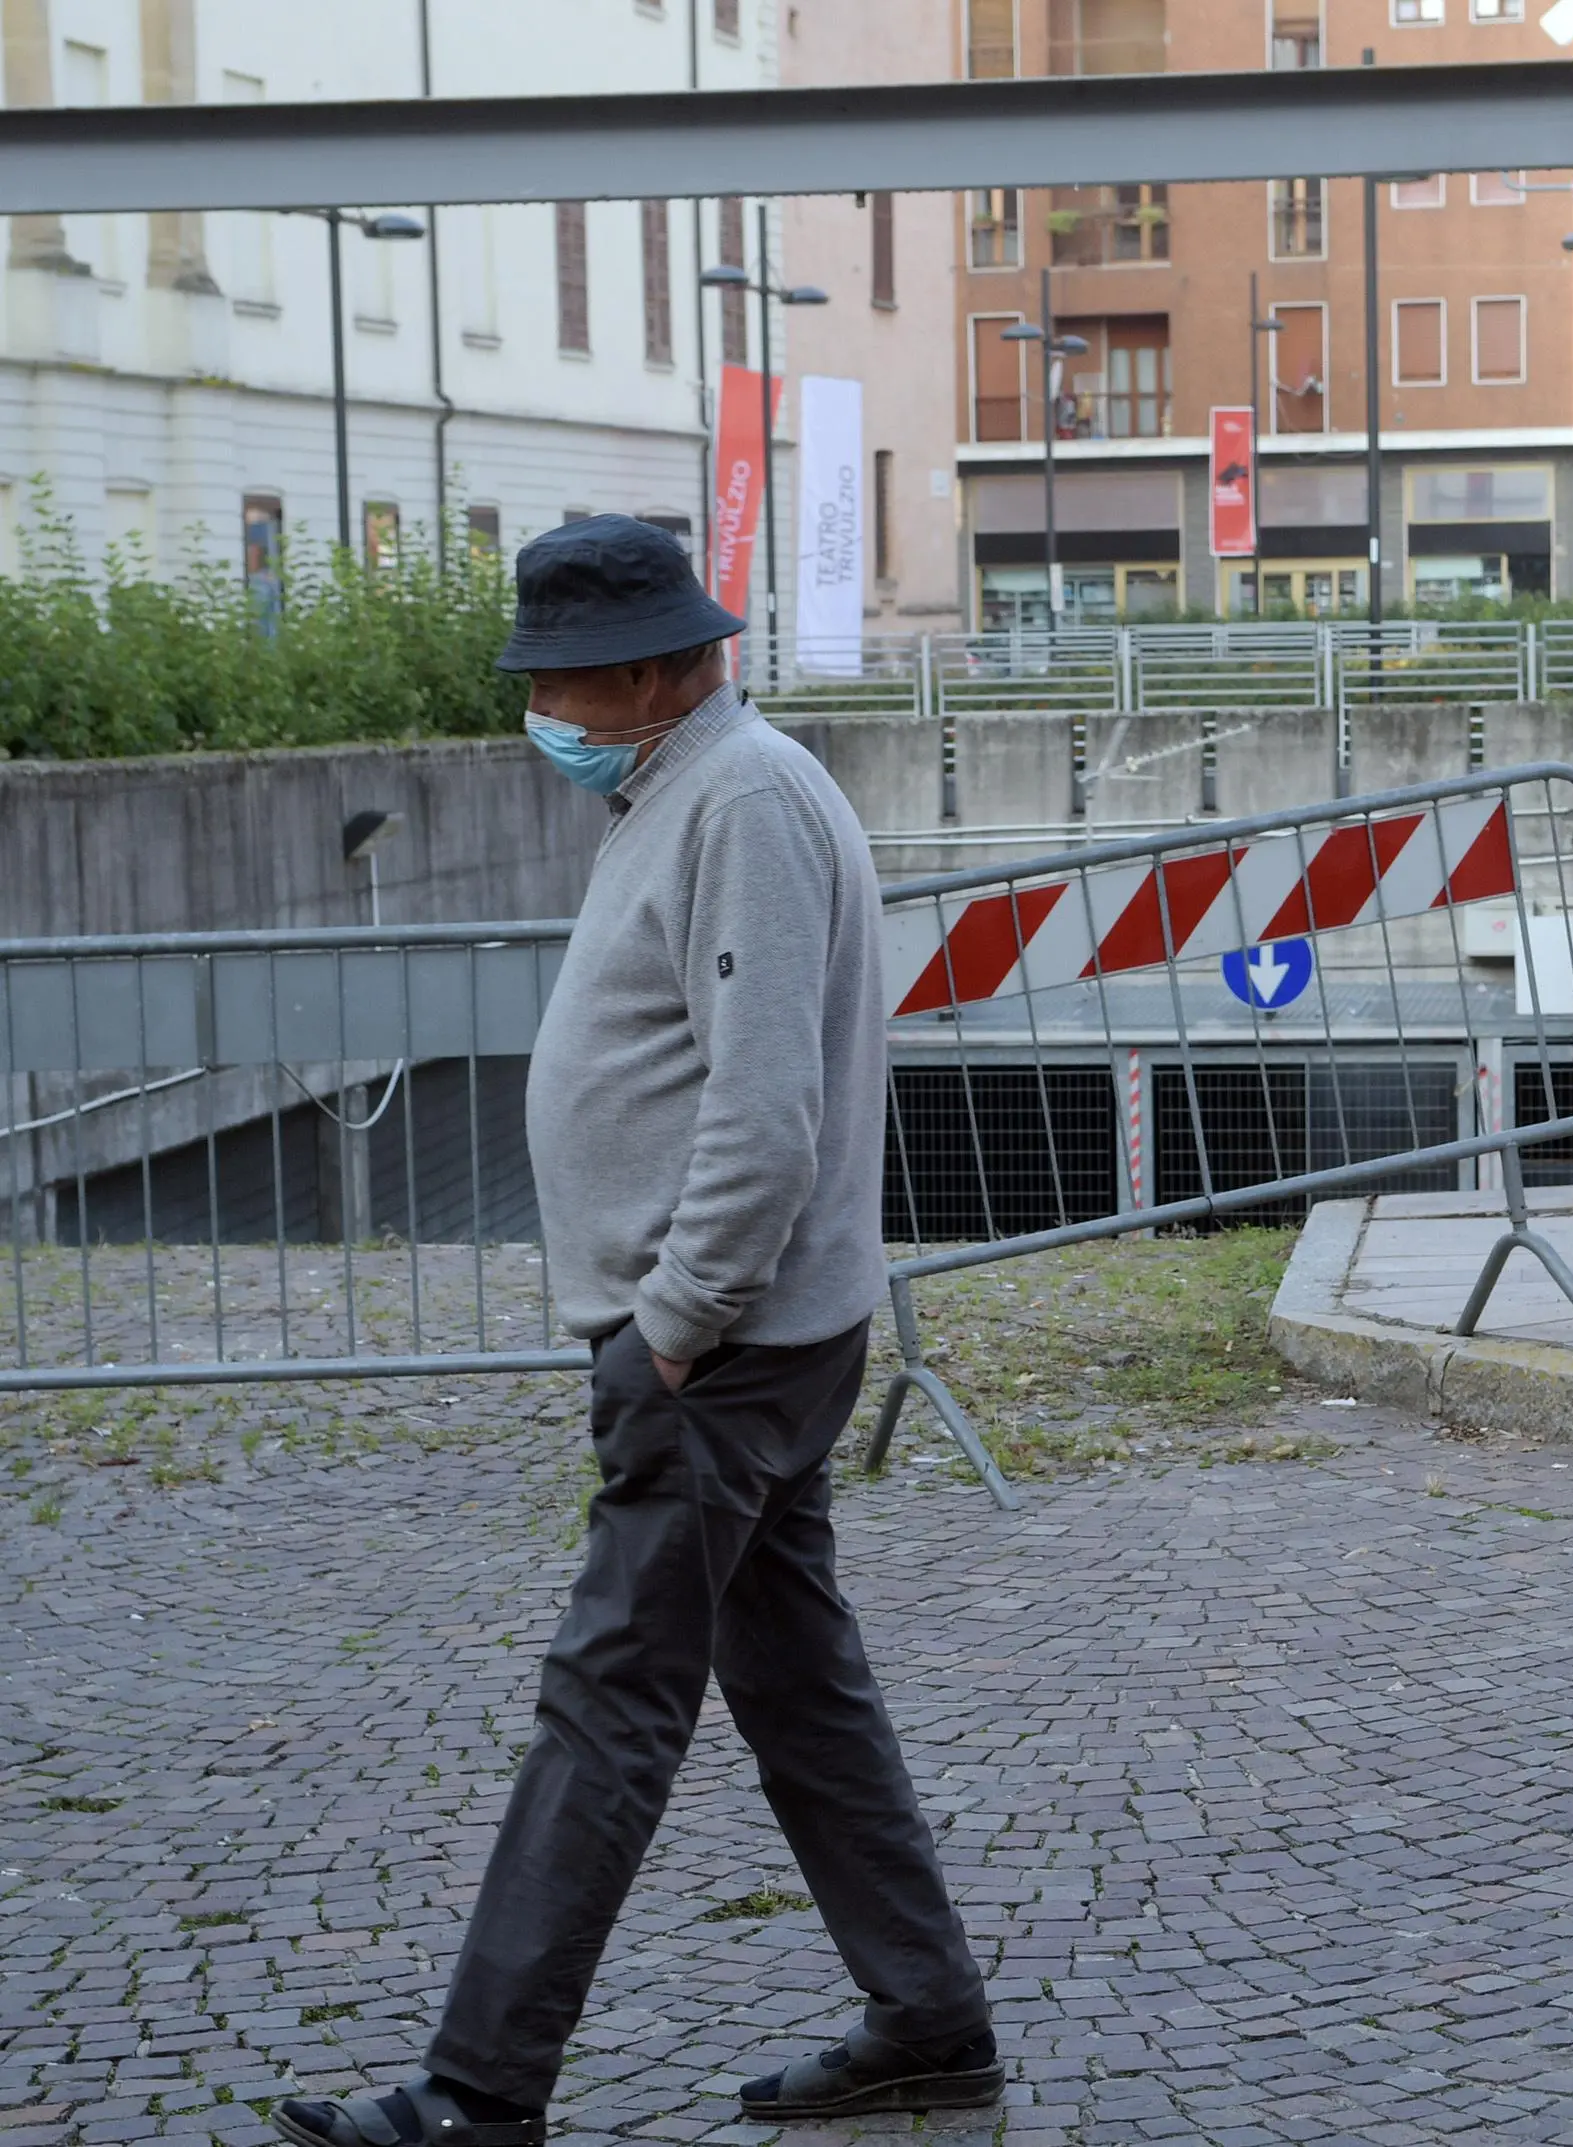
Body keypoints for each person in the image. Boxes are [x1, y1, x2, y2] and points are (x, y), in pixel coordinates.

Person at [273, 517, 999, 2147]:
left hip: (718, 1350)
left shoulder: (735, 798)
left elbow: (761, 1122)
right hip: (739, 1337)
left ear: (666, 665)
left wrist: (665, 1328)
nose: (550, 713)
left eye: (572, 683)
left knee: (609, 1698)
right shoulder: (687, 787)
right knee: (797, 1682)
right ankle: (933, 2013)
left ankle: (478, 2090)